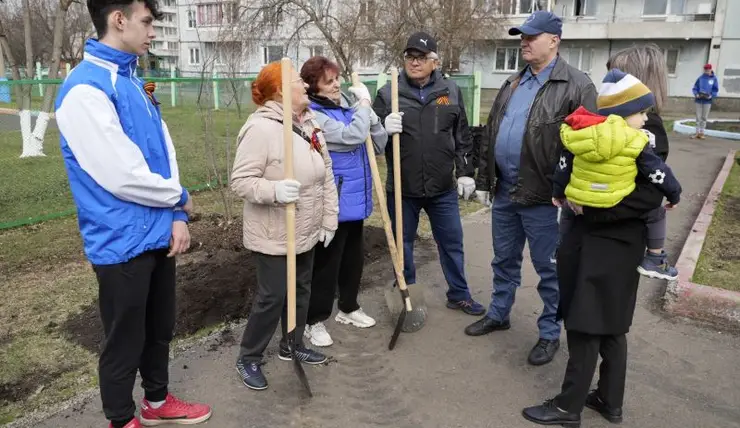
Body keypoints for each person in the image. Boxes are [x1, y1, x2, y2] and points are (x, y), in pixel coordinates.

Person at [55, 1, 212, 427]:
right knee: (125, 338)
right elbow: (120, 175)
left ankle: (157, 404)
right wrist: (178, 196)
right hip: (120, 240)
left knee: (159, 327)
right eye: (147, 22)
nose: (153, 32)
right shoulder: (85, 89)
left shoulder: (134, 82)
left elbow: (164, 151)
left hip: (157, 230)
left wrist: (178, 212)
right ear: (118, 19)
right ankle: (121, 418)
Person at [520, 45, 674, 427]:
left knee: (586, 322)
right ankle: (609, 399)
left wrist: (590, 205)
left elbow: (649, 195)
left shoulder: (641, 131)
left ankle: (567, 407)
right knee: (611, 323)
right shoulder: (631, 126)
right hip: (619, 242)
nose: (605, 83)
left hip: (604, 241)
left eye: (614, 72)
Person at [467, 10, 598, 366]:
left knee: (549, 268)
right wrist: (483, 180)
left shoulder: (576, 84)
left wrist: (574, 191)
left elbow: (588, 146)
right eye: (521, 36)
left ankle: (549, 333)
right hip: (506, 190)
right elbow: (492, 131)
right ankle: (499, 313)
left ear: (554, 40)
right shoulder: (513, 82)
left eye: (531, 36)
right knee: (504, 259)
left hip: (546, 197)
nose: (523, 42)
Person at [230, 61, 338, 391]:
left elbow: (326, 174)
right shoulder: (260, 129)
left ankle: (292, 344)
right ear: (279, 91)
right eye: (298, 82)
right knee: (273, 295)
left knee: (301, 290)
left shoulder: (310, 125)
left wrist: (329, 218)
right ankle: (248, 356)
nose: (306, 86)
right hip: (274, 230)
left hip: (305, 227)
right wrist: (274, 191)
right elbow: (241, 181)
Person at [371, 31, 485, 315]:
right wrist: (384, 127)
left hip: (442, 188)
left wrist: (465, 172)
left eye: (421, 58)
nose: (414, 62)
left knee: (451, 243)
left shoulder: (450, 91)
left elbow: (462, 135)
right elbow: (372, 141)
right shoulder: (389, 94)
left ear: (435, 61)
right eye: (410, 57)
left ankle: (459, 294)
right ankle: (407, 296)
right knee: (403, 246)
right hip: (402, 188)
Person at [298, 56, 388, 347]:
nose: (337, 85)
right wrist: (364, 107)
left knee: (353, 261)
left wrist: (372, 116)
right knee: (327, 265)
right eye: (329, 81)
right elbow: (352, 137)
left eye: (337, 79)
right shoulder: (315, 115)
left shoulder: (345, 108)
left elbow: (378, 142)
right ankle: (314, 320)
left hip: (356, 201)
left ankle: (348, 307)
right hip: (332, 204)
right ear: (314, 88)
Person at [553, 68, 682, 223]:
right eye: (641, 112)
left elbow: (564, 166)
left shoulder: (581, 133)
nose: (646, 118)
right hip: (613, 202)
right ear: (623, 113)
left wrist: (558, 192)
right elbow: (657, 171)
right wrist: (674, 193)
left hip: (580, 200)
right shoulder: (637, 140)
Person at [607, 43, 679, 280]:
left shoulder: (647, 126)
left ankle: (655, 257)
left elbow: (649, 189)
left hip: (619, 236)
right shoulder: (612, 122)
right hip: (606, 231)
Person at [691, 63, 719, 140]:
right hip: (699, 100)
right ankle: (697, 133)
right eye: (705, 70)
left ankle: (702, 133)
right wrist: (696, 94)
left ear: (711, 69)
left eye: (708, 70)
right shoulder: (700, 78)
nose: (706, 71)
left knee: (704, 117)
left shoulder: (714, 79)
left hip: (707, 101)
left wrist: (711, 95)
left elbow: (715, 90)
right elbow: (695, 87)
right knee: (698, 117)